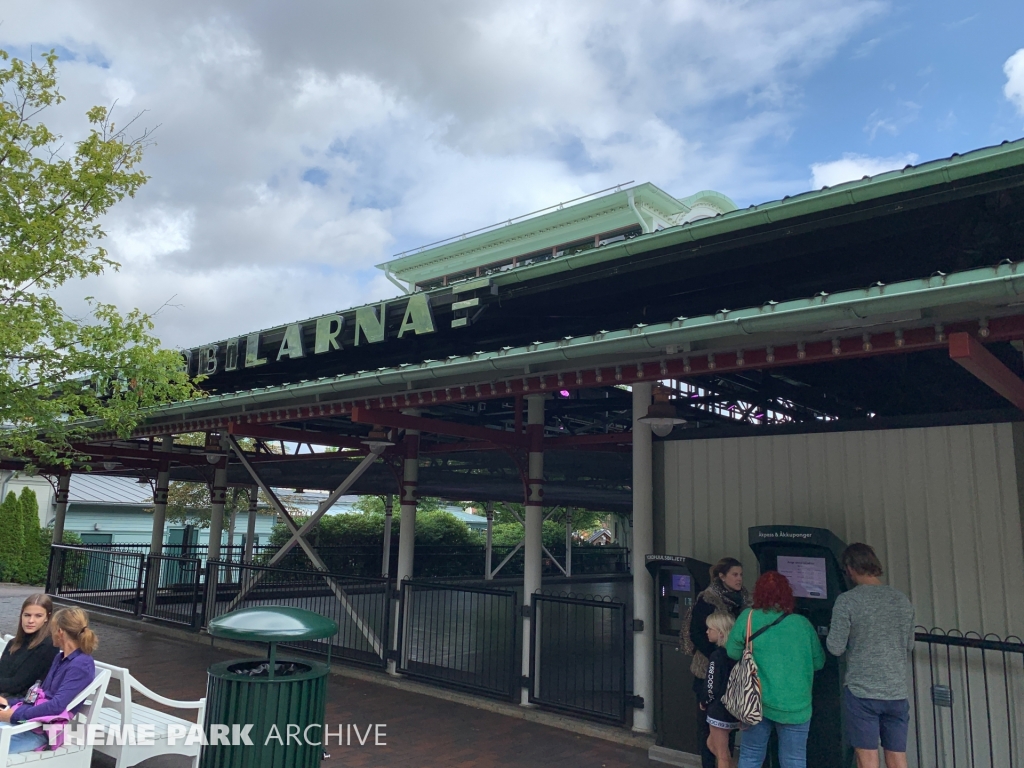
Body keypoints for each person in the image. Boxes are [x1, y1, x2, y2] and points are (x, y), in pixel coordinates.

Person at [827, 543, 915, 768]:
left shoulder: (848, 601)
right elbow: (909, 644)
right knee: (897, 756)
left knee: (867, 758)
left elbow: (835, 647)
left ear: (850, 568)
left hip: (862, 692)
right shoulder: (901, 600)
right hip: (896, 692)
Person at [726, 571, 824, 768]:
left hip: (757, 702)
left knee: (751, 755)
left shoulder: (748, 618)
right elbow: (819, 663)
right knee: (794, 760)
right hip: (797, 705)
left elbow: (732, 652)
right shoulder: (803, 624)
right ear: (787, 594)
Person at [681, 557, 751, 768]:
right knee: (709, 729)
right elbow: (697, 633)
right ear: (722, 576)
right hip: (709, 671)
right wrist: (719, 655)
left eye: (740, 574)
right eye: (734, 575)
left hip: (734, 671)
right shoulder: (708, 599)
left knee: (728, 726)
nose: (739, 579)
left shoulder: (744, 599)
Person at [0, 607, 98, 754]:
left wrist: (14, 716)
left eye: (51, 629)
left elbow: (56, 706)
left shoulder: (81, 664)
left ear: (60, 632)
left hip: (41, 732)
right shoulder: (60, 657)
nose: (49, 633)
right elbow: (41, 694)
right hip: (30, 723)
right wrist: (9, 703)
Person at [0, 594, 59, 699]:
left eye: (38, 616)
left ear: (47, 617)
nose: (31, 620)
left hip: (22, 702)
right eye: (27, 615)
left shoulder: (48, 645)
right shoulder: (13, 643)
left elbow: (19, 684)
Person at [702, 611, 738, 768]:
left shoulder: (717, 656)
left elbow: (712, 685)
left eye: (710, 629)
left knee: (721, 754)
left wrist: (705, 701)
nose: (707, 631)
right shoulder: (737, 654)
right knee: (712, 744)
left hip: (718, 709)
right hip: (734, 706)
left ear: (721, 633)